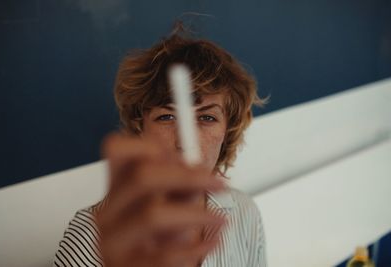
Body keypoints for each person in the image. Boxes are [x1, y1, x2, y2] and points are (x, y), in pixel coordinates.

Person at [53, 25, 267, 267]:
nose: (187, 142)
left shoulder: (245, 213)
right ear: (139, 128)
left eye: (207, 118)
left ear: (226, 133)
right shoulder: (90, 237)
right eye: (167, 116)